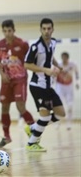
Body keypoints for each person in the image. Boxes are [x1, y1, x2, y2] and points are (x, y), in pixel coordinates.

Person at [24, 18, 65, 151]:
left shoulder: (53, 42)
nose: (47, 31)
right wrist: (45, 70)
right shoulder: (35, 46)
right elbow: (27, 64)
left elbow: (51, 56)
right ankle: (31, 144)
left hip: (48, 86)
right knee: (46, 116)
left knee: (60, 113)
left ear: (53, 29)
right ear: (40, 30)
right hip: (37, 85)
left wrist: (58, 66)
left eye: (49, 29)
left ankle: (33, 128)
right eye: (44, 29)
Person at [0, 19, 35, 148]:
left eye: (9, 31)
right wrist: (2, 74)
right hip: (6, 80)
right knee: (4, 107)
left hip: (20, 79)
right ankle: (6, 137)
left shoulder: (22, 44)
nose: (7, 33)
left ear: (14, 30)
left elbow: (30, 60)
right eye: (5, 31)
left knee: (20, 107)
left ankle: (35, 132)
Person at [54, 52, 79, 130]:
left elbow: (77, 73)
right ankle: (57, 122)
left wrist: (77, 82)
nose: (64, 60)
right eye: (63, 58)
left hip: (69, 87)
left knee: (70, 106)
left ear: (68, 58)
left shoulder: (73, 64)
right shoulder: (58, 64)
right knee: (58, 106)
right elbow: (53, 74)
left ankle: (69, 123)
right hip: (60, 86)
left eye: (65, 59)